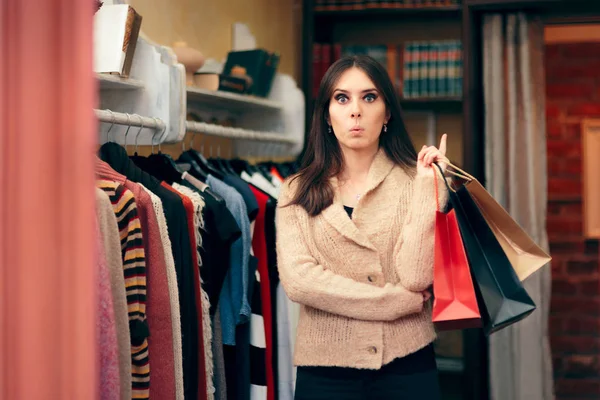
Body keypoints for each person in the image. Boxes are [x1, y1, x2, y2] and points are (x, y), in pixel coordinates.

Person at [275, 55, 449, 400]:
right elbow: (300, 281)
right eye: (342, 98)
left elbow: (415, 278)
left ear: (387, 113)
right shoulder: (296, 189)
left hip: (408, 364)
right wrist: (393, 302)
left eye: (369, 97)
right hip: (325, 370)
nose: (355, 110)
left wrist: (432, 190)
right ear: (327, 114)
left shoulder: (418, 181)